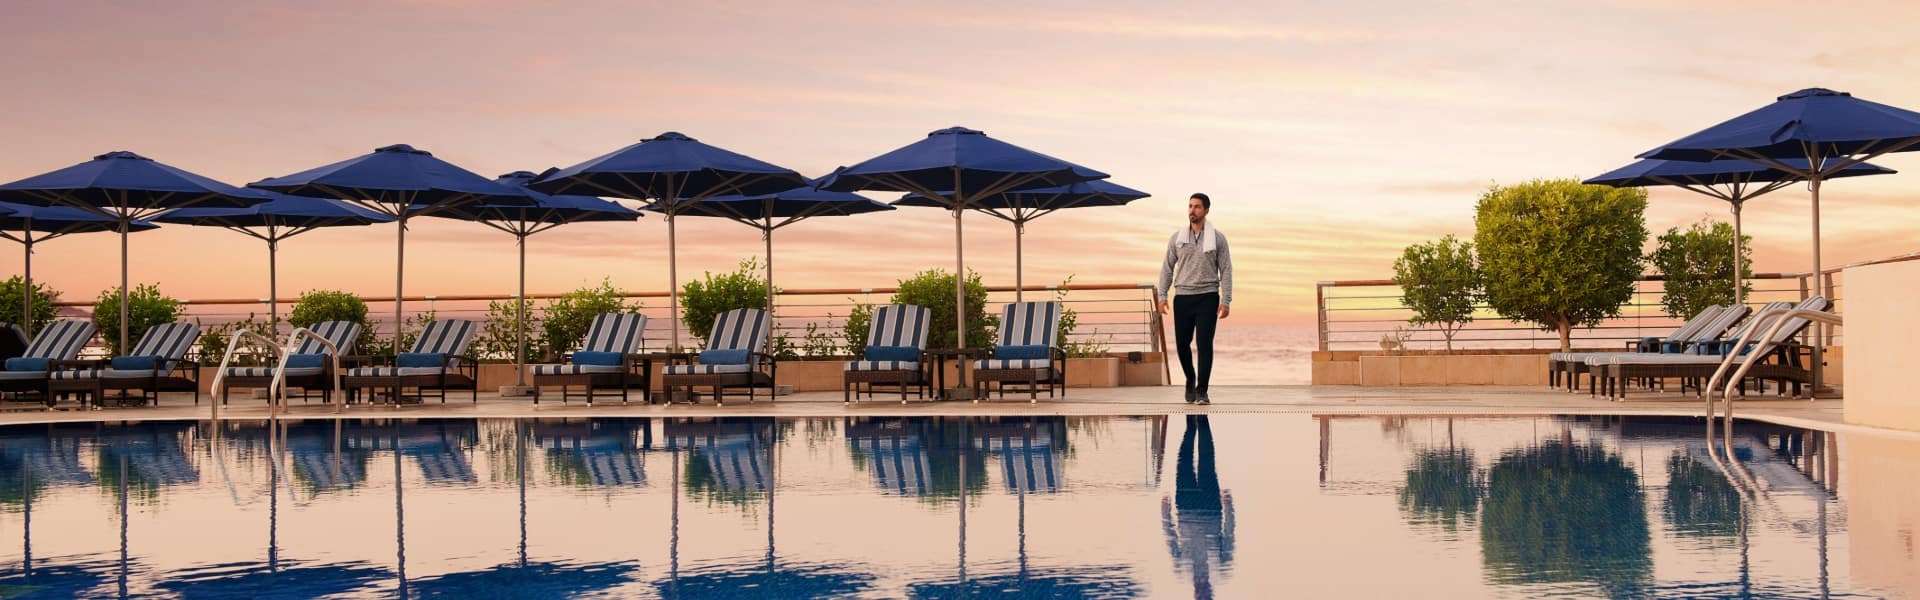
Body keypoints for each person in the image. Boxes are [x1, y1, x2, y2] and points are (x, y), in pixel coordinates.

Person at [1157, 193, 1233, 404]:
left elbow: (1226, 269)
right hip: (1182, 297)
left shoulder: (1218, 238)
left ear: (1206, 210)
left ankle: (1202, 391)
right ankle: (1190, 379)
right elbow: (1167, 269)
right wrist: (1162, 296)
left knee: (1204, 344)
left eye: (1197, 207)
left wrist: (1226, 300)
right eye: (1190, 206)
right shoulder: (1177, 239)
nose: (1192, 210)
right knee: (1182, 344)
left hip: (1208, 297)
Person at [1162, 415, 1234, 599]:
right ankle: (1201, 420)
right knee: (1207, 458)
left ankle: (1190, 426)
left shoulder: (1182, 570)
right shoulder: (1221, 569)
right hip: (1211, 508)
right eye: (1206, 594)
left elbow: (1171, 539)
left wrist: (1165, 513)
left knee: (1184, 460)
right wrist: (1228, 506)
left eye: (1200, 595)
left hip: (1186, 508)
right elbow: (1229, 534)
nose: (1202, 590)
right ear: (1211, 593)